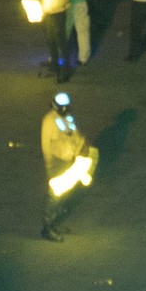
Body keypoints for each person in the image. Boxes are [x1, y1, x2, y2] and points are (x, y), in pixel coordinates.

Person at [41, 92, 88, 241]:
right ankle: (47, 228)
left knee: (64, 195)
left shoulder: (67, 118)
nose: (65, 109)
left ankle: (54, 223)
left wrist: (80, 148)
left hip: (70, 161)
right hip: (57, 163)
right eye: (62, 107)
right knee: (55, 196)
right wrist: (50, 165)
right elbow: (46, 145)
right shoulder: (49, 121)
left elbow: (76, 135)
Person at [40, 0, 72, 82]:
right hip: (50, 14)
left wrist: (49, 8)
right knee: (51, 40)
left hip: (58, 13)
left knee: (61, 42)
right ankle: (55, 66)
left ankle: (65, 72)